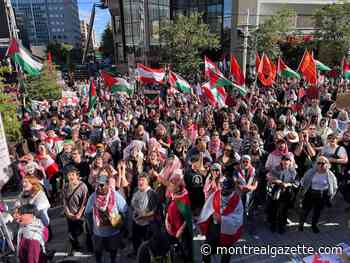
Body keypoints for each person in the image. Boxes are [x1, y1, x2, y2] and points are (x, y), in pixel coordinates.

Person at [197, 176, 243, 263]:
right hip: (214, 228)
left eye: (227, 190)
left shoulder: (237, 200)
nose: (224, 192)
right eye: (223, 189)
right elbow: (207, 208)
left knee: (226, 252)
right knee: (206, 248)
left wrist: (223, 219)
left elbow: (238, 220)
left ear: (232, 189)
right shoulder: (216, 194)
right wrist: (203, 221)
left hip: (227, 231)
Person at [85, 173, 128, 263]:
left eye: (102, 185)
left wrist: (121, 226)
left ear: (108, 185)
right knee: (98, 252)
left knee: (113, 250)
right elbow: (88, 213)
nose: (99, 187)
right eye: (97, 185)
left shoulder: (115, 195)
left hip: (113, 232)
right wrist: (91, 228)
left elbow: (125, 210)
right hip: (98, 232)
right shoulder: (93, 197)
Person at [299, 156, 338, 233]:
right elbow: (303, 181)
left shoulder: (330, 174)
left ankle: (314, 225)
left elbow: (335, 186)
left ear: (327, 164)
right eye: (319, 163)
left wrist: (331, 195)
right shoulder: (311, 172)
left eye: (323, 163)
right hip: (310, 193)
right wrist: (303, 190)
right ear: (316, 164)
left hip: (322, 195)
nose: (321, 165)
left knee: (317, 212)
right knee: (305, 211)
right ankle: (301, 224)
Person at [165, 170, 193, 262]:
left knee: (185, 253)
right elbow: (168, 210)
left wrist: (180, 230)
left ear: (177, 188)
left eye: (171, 185)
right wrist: (166, 220)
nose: (169, 186)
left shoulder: (184, 199)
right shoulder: (173, 195)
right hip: (172, 231)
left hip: (181, 234)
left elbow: (187, 218)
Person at [129, 173, 160, 257]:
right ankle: (136, 252)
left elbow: (154, 211)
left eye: (143, 180)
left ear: (148, 182)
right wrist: (135, 213)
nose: (140, 182)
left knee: (147, 242)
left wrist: (143, 216)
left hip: (148, 224)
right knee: (136, 239)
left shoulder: (152, 194)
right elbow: (133, 205)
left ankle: (147, 256)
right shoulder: (136, 190)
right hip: (137, 222)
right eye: (139, 180)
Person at [266, 155, 298, 234]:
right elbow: (269, 177)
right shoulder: (276, 169)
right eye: (284, 160)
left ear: (290, 162)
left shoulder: (293, 171)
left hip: (287, 192)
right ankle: (273, 225)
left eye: (288, 160)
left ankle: (281, 226)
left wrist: (288, 184)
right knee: (274, 208)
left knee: (284, 210)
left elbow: (296, 183)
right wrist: (276, 181)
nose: (286, 162)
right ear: (281, 161)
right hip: (276, 190)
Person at [62, 167, 88, 254]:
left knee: (80, 231)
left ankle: (85, 245)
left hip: (80, 215)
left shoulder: (83, 186)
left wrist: (79, 214)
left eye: (73, 174)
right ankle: (74, 247)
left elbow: (84, 202)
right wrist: (68, 212)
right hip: (69, 214)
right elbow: (64, 200)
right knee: (71, 232)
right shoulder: (65, 186)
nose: (70, 177)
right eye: (69, 175)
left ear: (77, 176)